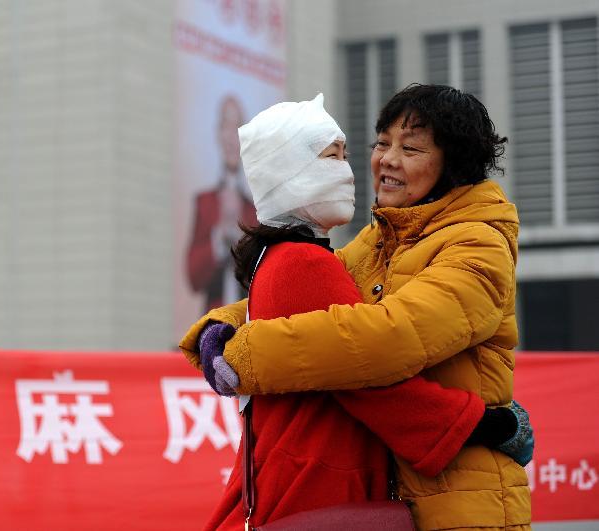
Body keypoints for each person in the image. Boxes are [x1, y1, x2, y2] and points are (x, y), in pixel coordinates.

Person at [182, 85, 532, 530]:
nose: (386, 159)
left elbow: (388, 337)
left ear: (454, 164)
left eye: (410, 148)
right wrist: (221, 327)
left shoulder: (477, 244)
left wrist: (241, 352)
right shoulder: (378, 239)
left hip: (458, 495)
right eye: (382, 143)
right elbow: (305, 295)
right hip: (401, 487)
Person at [187, 95, 258, 312]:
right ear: (218, 133)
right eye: (225, 126)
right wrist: (219, 238)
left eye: (237, 127)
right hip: (213, 321)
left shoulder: (255, 210)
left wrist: (240, 237)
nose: (231, 137)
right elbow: (193, 277)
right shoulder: (205, 202)